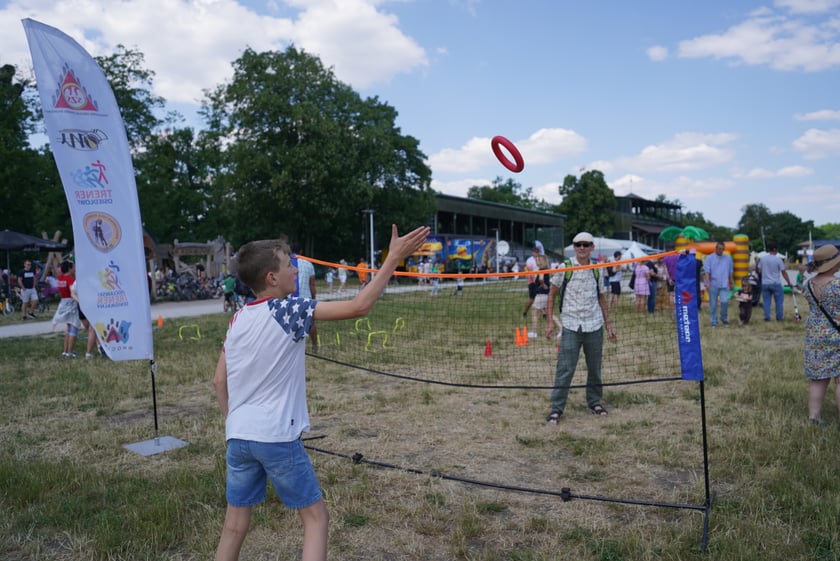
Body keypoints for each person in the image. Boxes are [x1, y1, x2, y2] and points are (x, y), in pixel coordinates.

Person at [213, 224, 428, 561]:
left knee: (235, 525)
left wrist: (237, 423)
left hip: (238, 435)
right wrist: (394, 259)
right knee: (315, 519)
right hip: (276, 436)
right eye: (288, 264)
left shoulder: (237, 318)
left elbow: (218, 382)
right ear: (271, 277)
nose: (295, 269)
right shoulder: (289, 309)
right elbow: (359, 306)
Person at [544, 232, 616, 423]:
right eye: (578, 245)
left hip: (594, 324)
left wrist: (609, 325)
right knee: (565, 368)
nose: (581, 248)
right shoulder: (564, 267)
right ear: (574, 247)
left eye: (585, 244)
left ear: (592, 247)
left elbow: (601, 296)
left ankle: (594, 401)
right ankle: (556, 408)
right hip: (570, 324)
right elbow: (551, 294)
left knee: (595, 368)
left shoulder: (597, 269)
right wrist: (550, 321)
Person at [802, 244, 840, 425]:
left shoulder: (809, 284)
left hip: (814, 336)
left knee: (818, 379)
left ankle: (813, 418)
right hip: (836, 335)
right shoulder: (837, 285)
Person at [757, 243, 793, 321]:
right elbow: (783, 272)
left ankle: (767, 317)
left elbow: (759, 270)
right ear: (774, 249)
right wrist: (789, 282)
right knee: (779, 301)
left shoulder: (763, 259)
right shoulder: (778, 260)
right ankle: (779, 317)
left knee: (766, 301)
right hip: (775, 283)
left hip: (765, 283)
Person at [52, 261, 80, 358]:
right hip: (71, 303)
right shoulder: (71, 279)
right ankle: (70, 352)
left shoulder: (60, 279)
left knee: (68, 328)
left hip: (63, 302)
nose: (75, 268)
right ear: (69, 268)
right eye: (73, 266)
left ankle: (65, 351)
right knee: (74, 327)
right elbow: (73, 292)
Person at [291, 245, 318, 351]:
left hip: (290, 298)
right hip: (306, 297)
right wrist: (313, 297)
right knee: (311, 323)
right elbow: (312, 284)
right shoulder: (308, 263)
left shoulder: (286, 263)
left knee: (291, 323)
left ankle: (294, 345)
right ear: (301, 251)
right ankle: (315, 345)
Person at [704, 241, 734, 326]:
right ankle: (714, 321)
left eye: (722, 249)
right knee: (713, 304)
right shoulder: (709, 258)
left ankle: (724, 318)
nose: (721, 250)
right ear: (716, 248)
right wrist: (707, 283)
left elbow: (730, 271)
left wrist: (731, 282)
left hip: (724, 284)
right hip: (713, 284)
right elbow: (707, 272)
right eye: (719, 249)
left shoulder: (728, 258)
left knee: (724, 302)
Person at [522, 242, 542, 317]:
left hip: (539, 280)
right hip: (532, 282)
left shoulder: (540, 259)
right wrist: (532, 278)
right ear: (532, 253)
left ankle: (544, 313)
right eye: (535, 252)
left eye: (537, 252)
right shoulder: (529, 260)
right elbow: (529, 271)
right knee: (532, 299)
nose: (536, 253)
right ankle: (525, 312)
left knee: (540, 297)